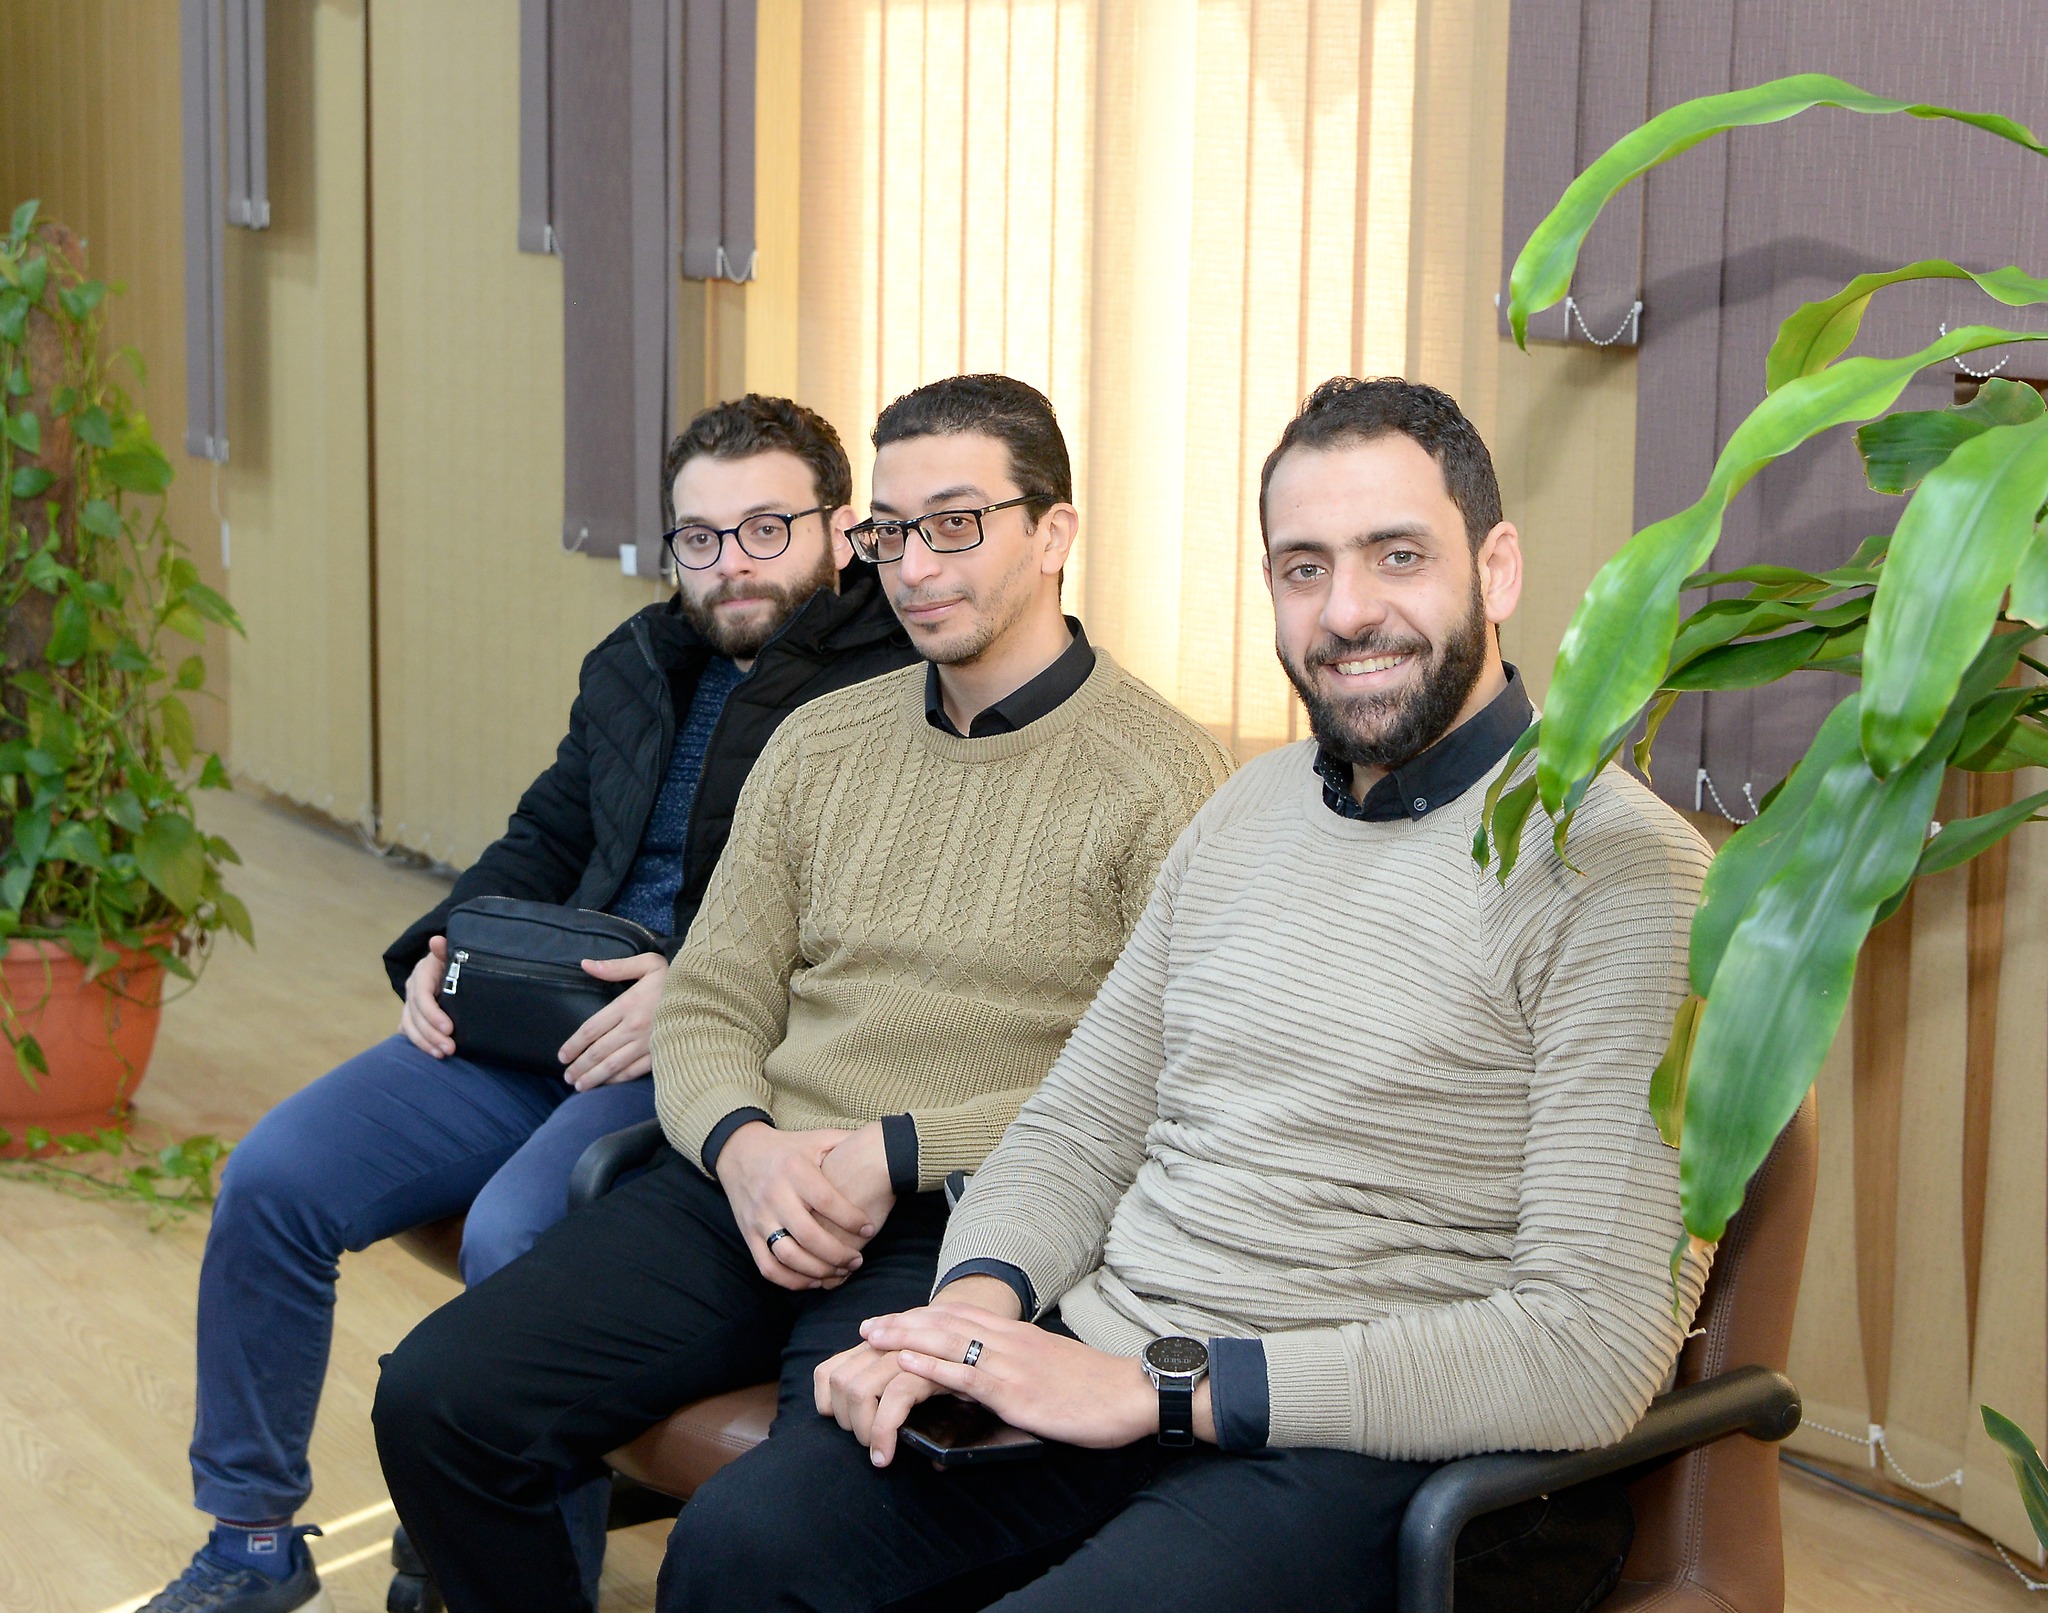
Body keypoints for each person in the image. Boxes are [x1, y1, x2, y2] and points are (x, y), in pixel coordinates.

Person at [658, 377, 1718, 1613]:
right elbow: (1079, 1124)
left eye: (1396, 555)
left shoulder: (1623, 869)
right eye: (1304, 567)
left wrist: (1159, 1387)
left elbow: (1588, 1348)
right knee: (744, 1542)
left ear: (1496, 569)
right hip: (1114, 1364)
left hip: (1374, 1444)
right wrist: (967, 1320)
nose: (1347, 610)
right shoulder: (1246, 809)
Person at [370, 373, 1236, 1612]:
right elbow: (711, 999)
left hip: (971, 1223)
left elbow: (1158, 1088)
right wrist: (742, 1146)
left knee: (767, 1542)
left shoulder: (1167, 781)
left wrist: (897, 1149)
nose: (912, 566)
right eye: (888, 529)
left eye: (954, 523)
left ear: (1052, 533)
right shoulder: (821, 739)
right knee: (438, 1400)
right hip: (755, 1181)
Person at [144, 396, 919, 1613]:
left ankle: (496, 1563)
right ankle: (251, 1541)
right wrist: (438, 949)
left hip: (702, 1041)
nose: (731, 563)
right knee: (273, 1179)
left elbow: (874, 925)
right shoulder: (637, 661)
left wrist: (690, 991)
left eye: (767, 528)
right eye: (700, 537)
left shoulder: (889, 687)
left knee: (521, 1228)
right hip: (542, 1011)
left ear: (839, 528)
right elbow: (545, 834)